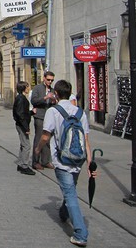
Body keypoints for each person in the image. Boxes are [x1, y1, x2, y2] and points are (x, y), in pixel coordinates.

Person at [35, 80, 97, 247]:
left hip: (62, 160)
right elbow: (86, 139)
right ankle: (64, 213)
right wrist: (90, 163)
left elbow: (46, 136)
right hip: (78, 159)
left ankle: (80, 233)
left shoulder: (53, 111)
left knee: (70, 194)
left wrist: (38, 150)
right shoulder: (80, 112)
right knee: (70, 189)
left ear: (55, 93)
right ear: (69, 93)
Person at [31, 71, 57, 170]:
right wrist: (46, 97)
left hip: (49, 117)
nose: (50, 82)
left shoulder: (53, 90)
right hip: (40, 116)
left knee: (47, 139)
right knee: (39, 138)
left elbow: (56, 104)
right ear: (44, 78)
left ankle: (45, 161)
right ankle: (36, 161)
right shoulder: (37, 88)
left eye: (52, 80)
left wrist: (54, 101)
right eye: (48, 80)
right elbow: (34, 100)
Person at [13, 81, 35, 175]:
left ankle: (20, 163)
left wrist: (31, 113)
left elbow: (22, 113)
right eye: (27, 87)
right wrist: (26, 128)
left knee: (23, 144)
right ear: (23, 88)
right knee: (27, 145)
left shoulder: (20, 98)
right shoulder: (21, 99)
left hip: (21, 123)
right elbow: (21, 114)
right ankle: (24, 165)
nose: (28, 88)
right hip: (22, 124)